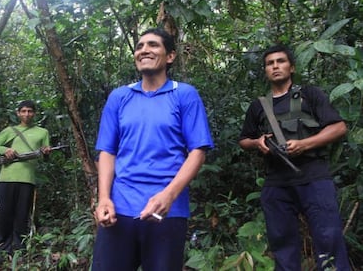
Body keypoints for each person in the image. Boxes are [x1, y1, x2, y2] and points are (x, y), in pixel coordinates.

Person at [92, 28, 214, 271]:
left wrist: (168, 196)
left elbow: (198, 151)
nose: (144, 50)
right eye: (139, 46)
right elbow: (107, 151)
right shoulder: (119, 96)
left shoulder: (185, 95)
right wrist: (104, 198)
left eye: (153, 45)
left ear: (170, 56)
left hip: (167, 211)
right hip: (120, 208)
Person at [239, 44, 350, 270]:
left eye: (280, 61)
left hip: (313, 176)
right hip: (277, 182)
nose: (275, 66)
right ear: (265, 71)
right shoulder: (259, 106)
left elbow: (338, 127)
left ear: (292, 68)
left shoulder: (310, 95)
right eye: (270, 63)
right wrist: (258, 143)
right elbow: (244, 140)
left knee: (328, 239)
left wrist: (304, 144)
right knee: (282, 243)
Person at [0, 100, 51, 255]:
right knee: (4, 213)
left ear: (34, 113)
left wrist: (46, 153)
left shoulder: (43, 132)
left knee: (22, 214)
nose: (27, 114)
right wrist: (5, 150)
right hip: (6, 178)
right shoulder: (10, 130)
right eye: (23, 111)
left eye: (30, 111)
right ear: (18, 113)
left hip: (27, 179)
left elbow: (45, 155)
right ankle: (3, 248)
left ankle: (20, 249)